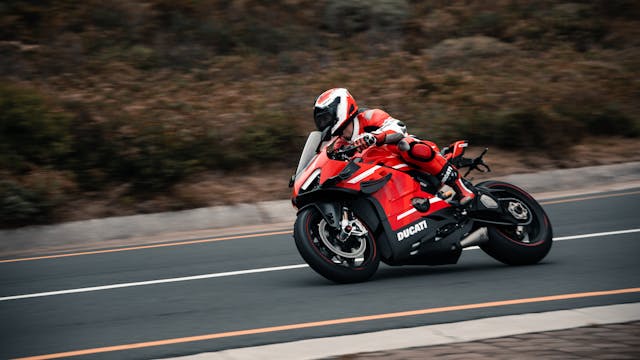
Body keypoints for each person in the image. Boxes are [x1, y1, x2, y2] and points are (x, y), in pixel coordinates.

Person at [313, 87, 476, 206]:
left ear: (340, 109)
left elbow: (399, 128)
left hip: (404, 160)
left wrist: (375, 137)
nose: (323, 124)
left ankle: (461, 187)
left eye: (325, 118)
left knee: (408, 146)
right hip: (382, 181)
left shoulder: (369, 116)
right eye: (320, 120)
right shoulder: (338, 143)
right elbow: (324, 159)